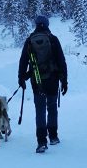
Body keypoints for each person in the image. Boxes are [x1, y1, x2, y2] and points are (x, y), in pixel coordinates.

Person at [18, 15, 68, 153]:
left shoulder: (29, 40)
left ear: (36, 25)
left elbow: (23, 60)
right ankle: (53, 137)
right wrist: (64, 80)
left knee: (40, 110)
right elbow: (61, 60)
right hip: (52, 79)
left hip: (36, 81)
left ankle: (41, 142)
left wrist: (21, 78)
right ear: (47, 24)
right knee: (52, 107)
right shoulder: (53, 39)